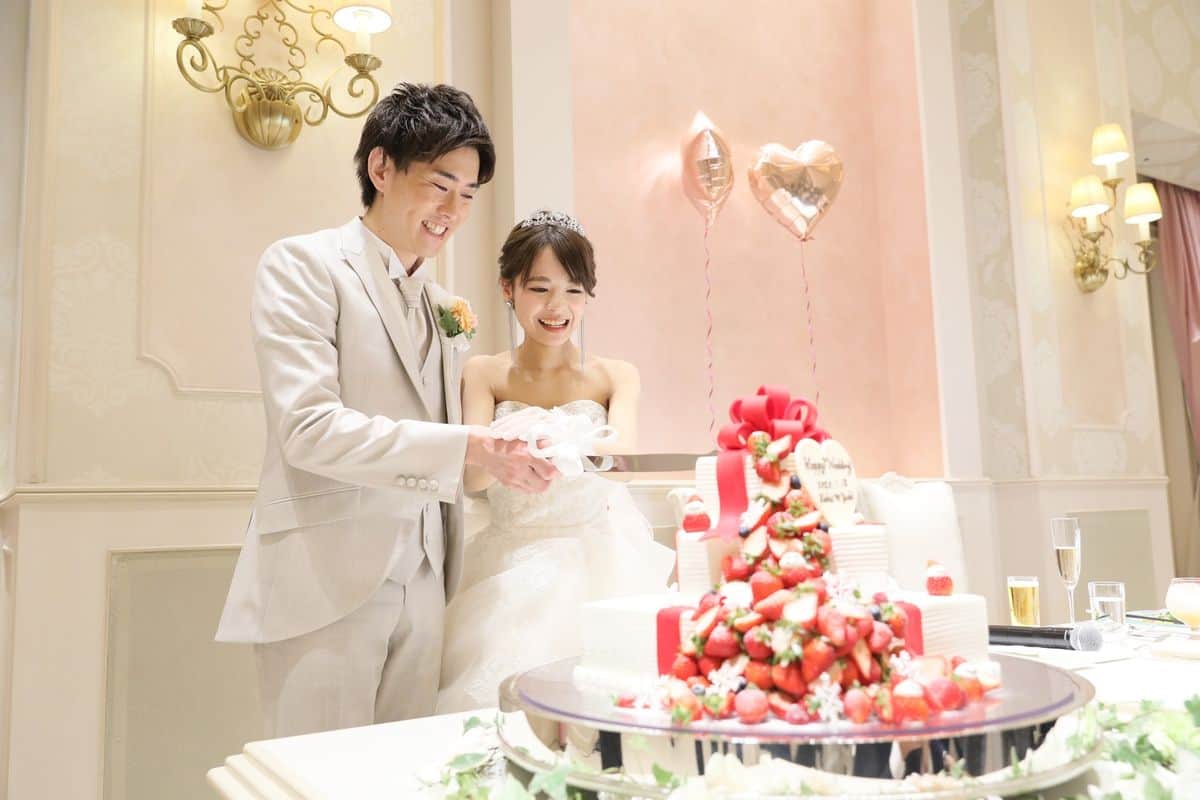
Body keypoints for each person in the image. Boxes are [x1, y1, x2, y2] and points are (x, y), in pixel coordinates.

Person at [215, 83, 557, 737]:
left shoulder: (445, 307)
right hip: (323, 578)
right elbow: (308, 429)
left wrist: (511, 451)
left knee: (402, 771)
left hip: (428, 582)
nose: (452, 211)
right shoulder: (304, 265)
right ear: (380, 168)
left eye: (468, 194)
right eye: (439, 185)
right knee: (318, 775)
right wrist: (466, 445)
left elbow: (455, 450)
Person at [437, 210, 674, 712]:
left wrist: (560, 441)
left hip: (599, 563)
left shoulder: (616, 376)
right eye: (540, 288)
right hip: (509, 565)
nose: (557, 307)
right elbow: (474, 477)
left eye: (573, 291)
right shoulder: (484, 372)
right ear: (508, 288)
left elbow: (621, 466)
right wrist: (510, 448)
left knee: (608, 701)